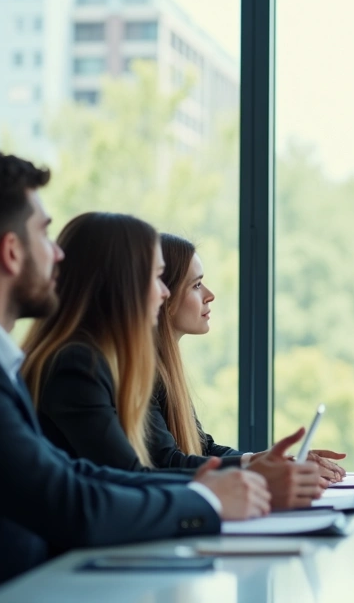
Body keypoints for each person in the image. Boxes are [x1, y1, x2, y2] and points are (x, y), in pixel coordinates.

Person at [0, 150, 269, 596]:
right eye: (45, 234)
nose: (58, 256)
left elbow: (74, 473)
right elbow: (69, 500)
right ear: (11, 252)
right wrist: (207, 499)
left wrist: (218, 488)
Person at [21, 213, 323, 510]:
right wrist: (249, 477)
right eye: (156, 277)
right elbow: (133, 475)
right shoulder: (76, 365)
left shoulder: (100, 361)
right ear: (121, 284)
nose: (163, 292)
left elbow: (193, 448)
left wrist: (257, 464)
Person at [147, 233, 346, 482]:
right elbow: (166, 462)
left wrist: (270, 461)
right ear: (164, 294)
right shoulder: (144, 375)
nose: (210, 295)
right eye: (196, 285)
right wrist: (258, 468)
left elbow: (203, 448)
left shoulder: (167, 369)